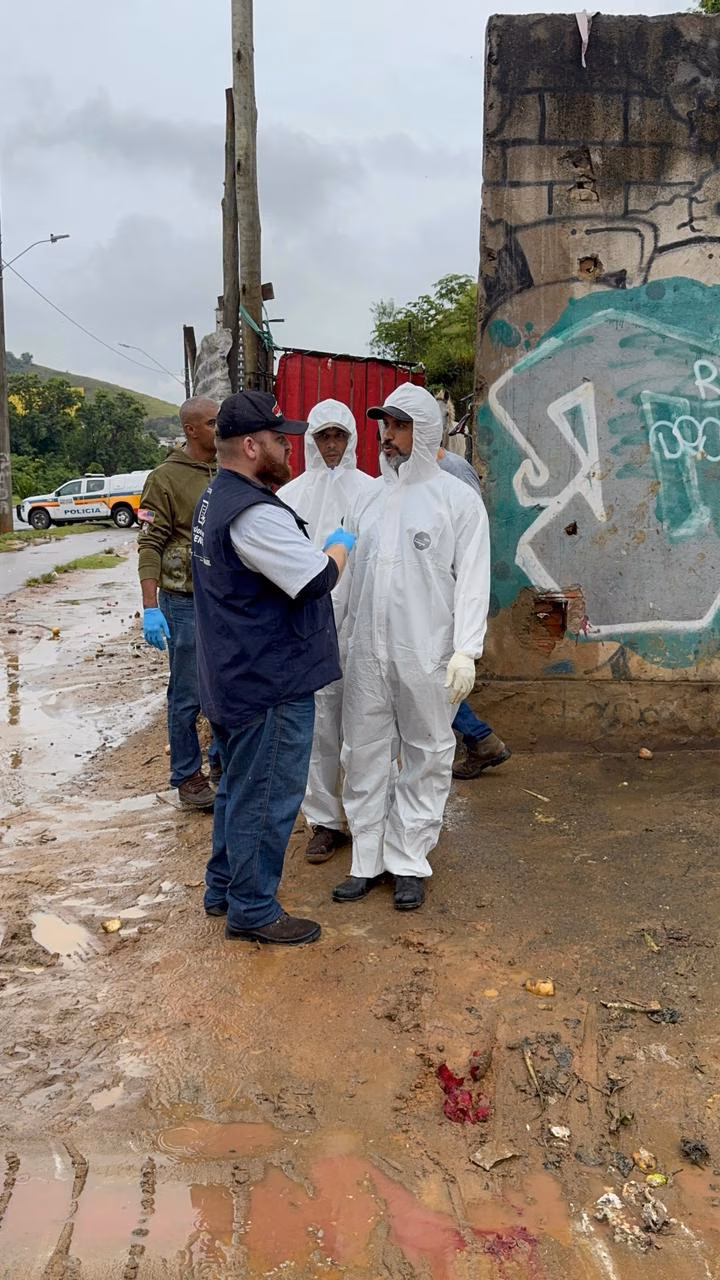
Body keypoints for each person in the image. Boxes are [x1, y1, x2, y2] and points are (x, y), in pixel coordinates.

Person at [191, 390, 355, 946]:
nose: (291, 447)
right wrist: (338, 547)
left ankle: (223, 889)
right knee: (268, 796)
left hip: (234, 672)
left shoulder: (217, 496)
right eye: (281, 439)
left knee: (239, 789)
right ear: (253, 445)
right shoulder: (255, 513)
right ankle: (254, 910)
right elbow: (314, 581)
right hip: (269, 682)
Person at [334, 383, 490, 912]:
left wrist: (466, 649)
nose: (389, 436)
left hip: (426, 652)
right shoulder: (369, 500)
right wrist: (335, 636)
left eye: (400, 426)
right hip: (365, 655)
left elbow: (472, 579)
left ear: (424, 432)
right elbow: (347, 578)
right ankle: (367, 859)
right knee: (363, 752)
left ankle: (408, 860)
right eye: (385, 425)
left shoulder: (456, 501)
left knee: (426, 753)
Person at [277, 399, 377, 864]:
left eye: (339, 435)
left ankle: (366, 815)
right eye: (324, 436)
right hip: (309, 630)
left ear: (352, 437)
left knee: (364, 725)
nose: (332, 444)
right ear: (311, 440)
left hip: (361, 628)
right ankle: (323, 819)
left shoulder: (371, 492)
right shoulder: (290, 497)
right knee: (318, 728)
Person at [138, 396, 220, 810]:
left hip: (224, 600)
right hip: (184, 600)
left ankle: (222, 763)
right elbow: (150, 543)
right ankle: (188, 776)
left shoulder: (228, 468)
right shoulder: (164, 479)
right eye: (211, 423)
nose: (219, 428)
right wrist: (151, 607)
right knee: (187, 692)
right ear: (191, 429)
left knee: (224, 685)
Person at [436, 447, 512, 780]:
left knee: (436, 678)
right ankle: (480, 739)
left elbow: (469, 536)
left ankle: (481, 738)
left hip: (449, 593)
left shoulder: (452, 470)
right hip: (439, 590)